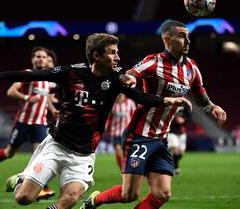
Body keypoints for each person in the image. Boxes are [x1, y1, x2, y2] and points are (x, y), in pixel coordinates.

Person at [0, 33, 192, 209]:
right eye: (112, 52)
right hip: (56, 146)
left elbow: (140, 97)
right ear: (97, 56)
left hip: (84, 155)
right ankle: (22, 178)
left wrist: (168, 101)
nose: (118, 57)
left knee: (69, 199)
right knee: (23, 198)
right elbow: (30, 75)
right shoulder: (70, 73)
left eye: (117, 52)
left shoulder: (116, 79)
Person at [81, 20, 227, 209]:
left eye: (188, 36)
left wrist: (213, 107)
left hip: (161, 138)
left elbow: (202, 99)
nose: (188, 41)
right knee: (129, 194)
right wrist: (130, 79)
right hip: (139, 136)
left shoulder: (191, 67)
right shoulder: (154, 61)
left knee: (163, 193)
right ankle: (94, 200)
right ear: (167, 39)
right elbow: (132, 73)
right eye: (182, 36)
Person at [0, 46, 58, 200]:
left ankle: (42, 188)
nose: (41, 59)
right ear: (33, 60)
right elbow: (11, 91)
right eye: (38, 56)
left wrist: (53, 109)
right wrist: (27, 98)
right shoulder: (27, 75)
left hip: (40, 123)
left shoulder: (48, 80)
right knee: (9, 153)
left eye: (43, 57)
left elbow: (47, 97)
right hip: (23, 122)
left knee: (40, 156)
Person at [105, 93, 136, 170]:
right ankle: (122, 169)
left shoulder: (130, 103)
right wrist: (106, 126)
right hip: (115, 132)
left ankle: (129, 168)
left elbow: (134, 116)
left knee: (127, 153)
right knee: (118, 150)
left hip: (127, 132)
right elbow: (110, 117)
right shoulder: (113, 103)